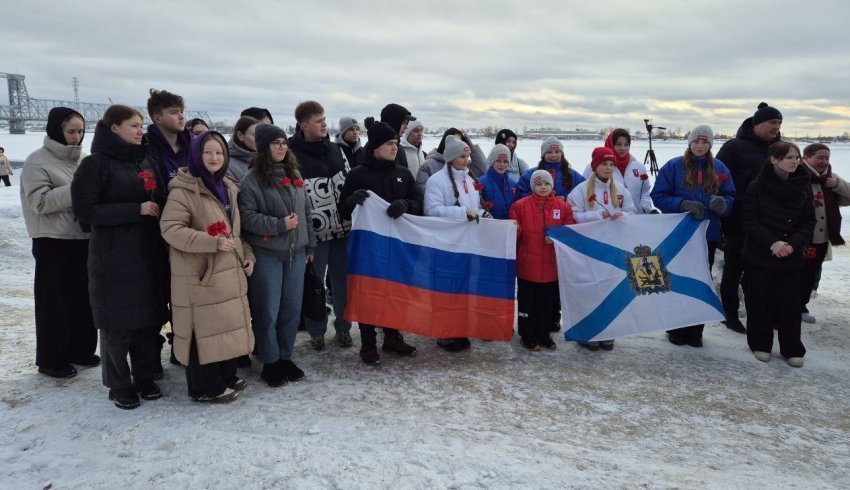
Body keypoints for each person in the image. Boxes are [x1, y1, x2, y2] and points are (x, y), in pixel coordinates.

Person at [71, 104, 170, 409]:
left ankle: (143, 376)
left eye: (141, 125)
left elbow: (161, 197)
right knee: (118, 327)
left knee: (145, 321)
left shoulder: (148, 158)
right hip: (113, 257)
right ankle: (118, 383)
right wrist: (134, 209)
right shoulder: (95, 165)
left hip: (148, 252)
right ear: (114, 128)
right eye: (134, 126)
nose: (141, 131)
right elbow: (85, 212)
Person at [160, 131, 255, 403]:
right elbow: (170, 229)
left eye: (219, 153)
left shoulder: (229, 186)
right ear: (196, 155)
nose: (215, 158)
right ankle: (204, 387)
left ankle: (225, 376)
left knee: (225, 325)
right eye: (208, 152)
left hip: (228, 269)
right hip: (199, 274)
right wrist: (210, 242)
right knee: (202, 329)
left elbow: (238, 233)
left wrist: (247, 255)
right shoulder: (184, 190)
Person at [20, 107, 97, 378]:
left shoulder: (82, 160)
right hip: (52, 240)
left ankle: (81, 349)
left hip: (82, 237)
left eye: (80, 131)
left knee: (82, 299)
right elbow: (39, 202)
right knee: (54, 302)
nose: (76, 137)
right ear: (56, 130)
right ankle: (52, 359)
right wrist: (78, 190)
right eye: (71, 131)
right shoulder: (36, 162)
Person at [238, 123, 316, 387]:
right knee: (268, 310)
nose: (282, 147)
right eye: (276, 143)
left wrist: (311, 244)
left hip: (297, 252)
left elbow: (306, 212)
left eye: (284, 142)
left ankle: (285, 356)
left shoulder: (294, 175)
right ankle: (270, 361)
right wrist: (279, 225)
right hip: (268, 254)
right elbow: (247, 218)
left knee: (291, 309)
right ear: (263, 147)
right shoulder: (252, 180)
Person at [338, 121, 421, 365]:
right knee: (369, 293)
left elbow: (419, 205)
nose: (395, 148)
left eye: (396, 143)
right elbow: (343, 211)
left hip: (399, 246)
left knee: (396, 291)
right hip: (368, 247)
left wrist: (406, 205)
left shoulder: (403, 174)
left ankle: (393, 337)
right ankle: (368, 343)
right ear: (375, 146)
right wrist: (353, 199)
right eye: (389, 144)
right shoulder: (358, 175)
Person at [651, 126, 735, 348]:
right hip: (679, 235)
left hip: (707, 236)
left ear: (710, 145)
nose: (700, 146)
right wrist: (681, 204)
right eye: (696, 142)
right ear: (689, 143)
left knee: (700, 283)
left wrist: (723, 204)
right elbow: (658, 195)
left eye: (705, 143)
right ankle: (676, 328)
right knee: (677, 281)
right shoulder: (673, 166)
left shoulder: (719, 168)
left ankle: (696, 329)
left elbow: (731, 195)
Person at [741, 142, 815, 367]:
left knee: (789, 304)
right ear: (773, 159)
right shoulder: (757, 185)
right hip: (760, 253)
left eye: (796, 157)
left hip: (789, 255)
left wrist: (792, 244)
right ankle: (760, 344)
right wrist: (772, 243)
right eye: (788, 157)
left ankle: (791, 348)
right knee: (759, 301)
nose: (794, 161)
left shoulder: (803, 186)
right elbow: (748, 220)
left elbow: (808, 221)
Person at [288, 101, 353, 350]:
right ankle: (316, 331)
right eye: (318, 120)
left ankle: (344, 328)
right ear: (304, 125)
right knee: (314, 286)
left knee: (342, 283)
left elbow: (348, 182)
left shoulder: (337, 150)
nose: (324, 124)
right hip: (314, 235)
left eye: (325, 119)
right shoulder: (292, 154)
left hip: (342, 230)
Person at [718, 102, 783, 334]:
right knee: (734, 269)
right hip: (739, 219)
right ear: (757, 124)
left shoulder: (781, 149)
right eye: (771, 123)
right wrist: (727, 216)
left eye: (779, 123)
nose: (776, 127)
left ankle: (763, 314)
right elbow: (720, 181)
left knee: (763, 271)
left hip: (771, 221)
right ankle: (729, 314)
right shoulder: (734, 147)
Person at [424, 135, 490, 352]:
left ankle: (460, 329)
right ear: (451, 157)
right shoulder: (436, 181)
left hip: (466, 244)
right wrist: (464, 213)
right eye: (462, 156)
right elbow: (432, 211)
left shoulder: (469, 180)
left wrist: (482, 213)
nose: (466, 160)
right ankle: (445, 332)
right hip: (446, 244)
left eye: (467, 155)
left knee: (463, 289)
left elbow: (473, 208)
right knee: (447, 290)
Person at [567, 147, 636, 351]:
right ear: (595, 165)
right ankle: (588, 332)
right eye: (604, 164)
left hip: (613, 248)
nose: (608, 168)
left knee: (611, 288)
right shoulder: (581, 190)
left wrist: (622, 217)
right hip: (589, 248)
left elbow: (632, 212)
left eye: (611, 164)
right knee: (590, 290)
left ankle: (608, 331)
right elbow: (574, 215)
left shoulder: (622, 190)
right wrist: (597, 216)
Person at [509, 170, 575, 351]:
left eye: (546, 184)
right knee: (527, 304)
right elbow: (514, 232)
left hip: (551, 268)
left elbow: (570, 232)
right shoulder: (519, 206)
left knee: (546, 305)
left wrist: (557, 239)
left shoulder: (563, 207)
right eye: (538, 184)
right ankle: (527, 335)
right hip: (527, 266)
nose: (543, 187)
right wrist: (512, 230)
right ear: (532, 187)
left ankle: (544, 335)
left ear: (552, 185)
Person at [798, 144, 850, 323]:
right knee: (795, 272)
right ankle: (785, 306)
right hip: (800, 236)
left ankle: (801, 306)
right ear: (806, 157)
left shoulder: (830, 178)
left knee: (810, 273)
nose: (824, 161)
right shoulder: (797, 174)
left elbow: (848, 197)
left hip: (822, 237)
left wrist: (838, 185)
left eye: (827, 158)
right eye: (820, 157)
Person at [582, 129, 653, 214]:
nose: (623, 148)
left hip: (635, 219)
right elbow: (584, 192)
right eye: (618, 144)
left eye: (626, 144)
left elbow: (645, 191)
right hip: (606, 221)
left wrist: (644, 208)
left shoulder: (639, 167)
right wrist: (598, 214)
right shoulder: (594, 167)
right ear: (611, 144)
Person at [416, 128, 487, 194]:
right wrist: (449, 196)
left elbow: (482, 169)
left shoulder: (463, 164)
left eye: (460, 141)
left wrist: (471, 146)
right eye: (454, 140)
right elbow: (422, 189)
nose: (456, 144)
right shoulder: (429, 164)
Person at [516, 136, 585, 199]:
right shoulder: (531, 174)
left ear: (562, 154)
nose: (553, 155)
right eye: (549, 152)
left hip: (564, 211)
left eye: (557, 152)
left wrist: (566, 198)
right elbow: (520, 193)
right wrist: (539, 196)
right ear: (543, 155)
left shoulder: (573, 175)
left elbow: (583, 192)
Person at [146, 89, 192, 182]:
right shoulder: (144, 148)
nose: (181, 117)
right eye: (174, 112)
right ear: (157, 118)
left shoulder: (194, 145)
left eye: (181, 112)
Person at [364, 103, 416, 169]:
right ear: (393, 121)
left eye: (407, 123)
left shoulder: (399, 148)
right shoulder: (373, 147)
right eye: (403, 122)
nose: (406, 127)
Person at [478, 144, 518, 220]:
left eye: (505, 161)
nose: (502, 165)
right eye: (498, 161)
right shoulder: (480, 182)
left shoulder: (514, 185)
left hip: (507, 227)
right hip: (488, 227)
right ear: (492, 162)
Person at [226, 116, 259, 182]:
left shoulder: (265, 159)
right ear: (240, 136)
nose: (259, 139)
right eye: (255, 135)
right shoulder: (226, 164)